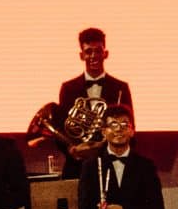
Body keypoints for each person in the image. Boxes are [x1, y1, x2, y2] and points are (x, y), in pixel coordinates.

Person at [44, 26, 134, 164]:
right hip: (77, 163)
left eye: (98, 51)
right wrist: (71, 149)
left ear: (106, 54)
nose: (93, 56)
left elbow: (130, 127)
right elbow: (63, 128)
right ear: (81, 56)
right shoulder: (68, 88)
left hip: (111, 160)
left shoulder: (121, 88)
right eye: (88, 52)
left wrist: (107, 146)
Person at [78, 105, 164, 209]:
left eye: (124, 124)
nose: (119, 129)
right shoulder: (90, 166)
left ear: (132, 131)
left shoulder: (146, 166)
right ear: (103, 132)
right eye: (113, 125)